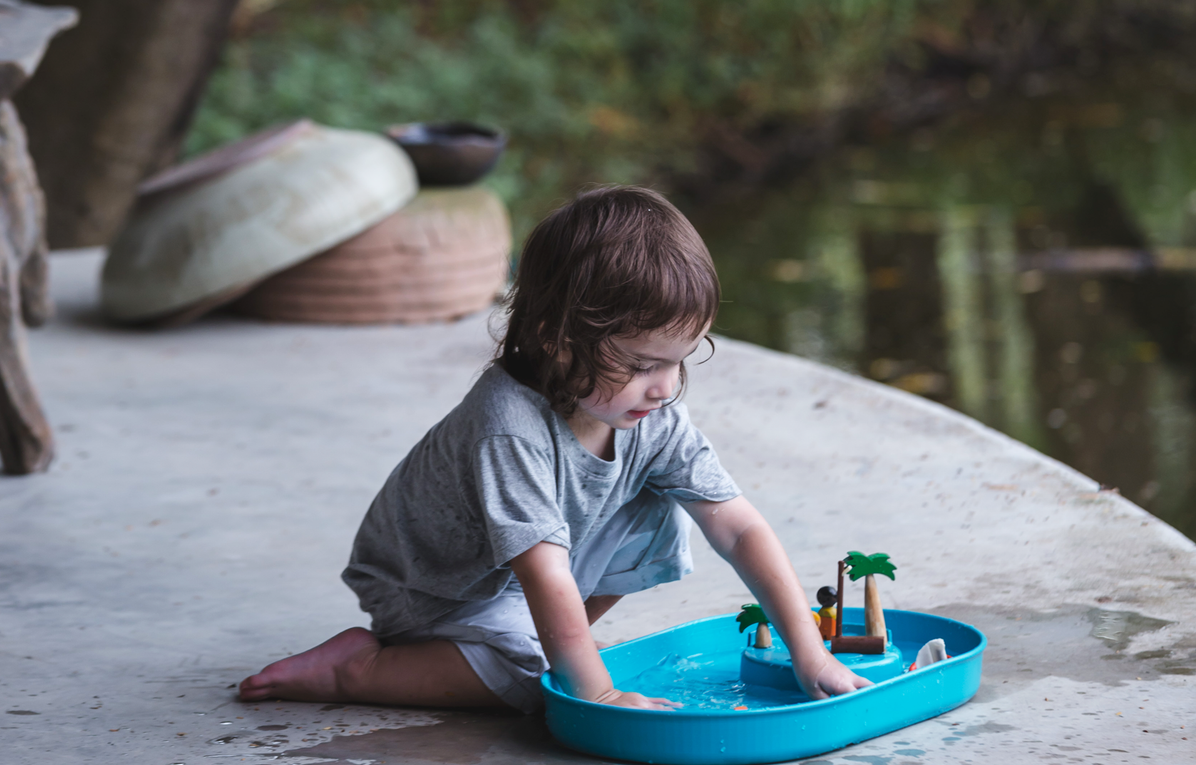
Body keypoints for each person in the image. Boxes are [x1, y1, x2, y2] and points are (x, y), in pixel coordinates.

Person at [239, 185, 872, 713]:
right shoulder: (509, 426)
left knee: (668, 507)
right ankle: (357, 670)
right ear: (558, 338)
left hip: (521, 575)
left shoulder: (647, 412)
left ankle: (548, 646)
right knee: (532, 690)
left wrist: (808, 654)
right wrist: (593, 693)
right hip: (438, 587)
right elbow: (543, 573)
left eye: (681, 362)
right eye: (645, 363)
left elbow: (737, 527)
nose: (666, 387)